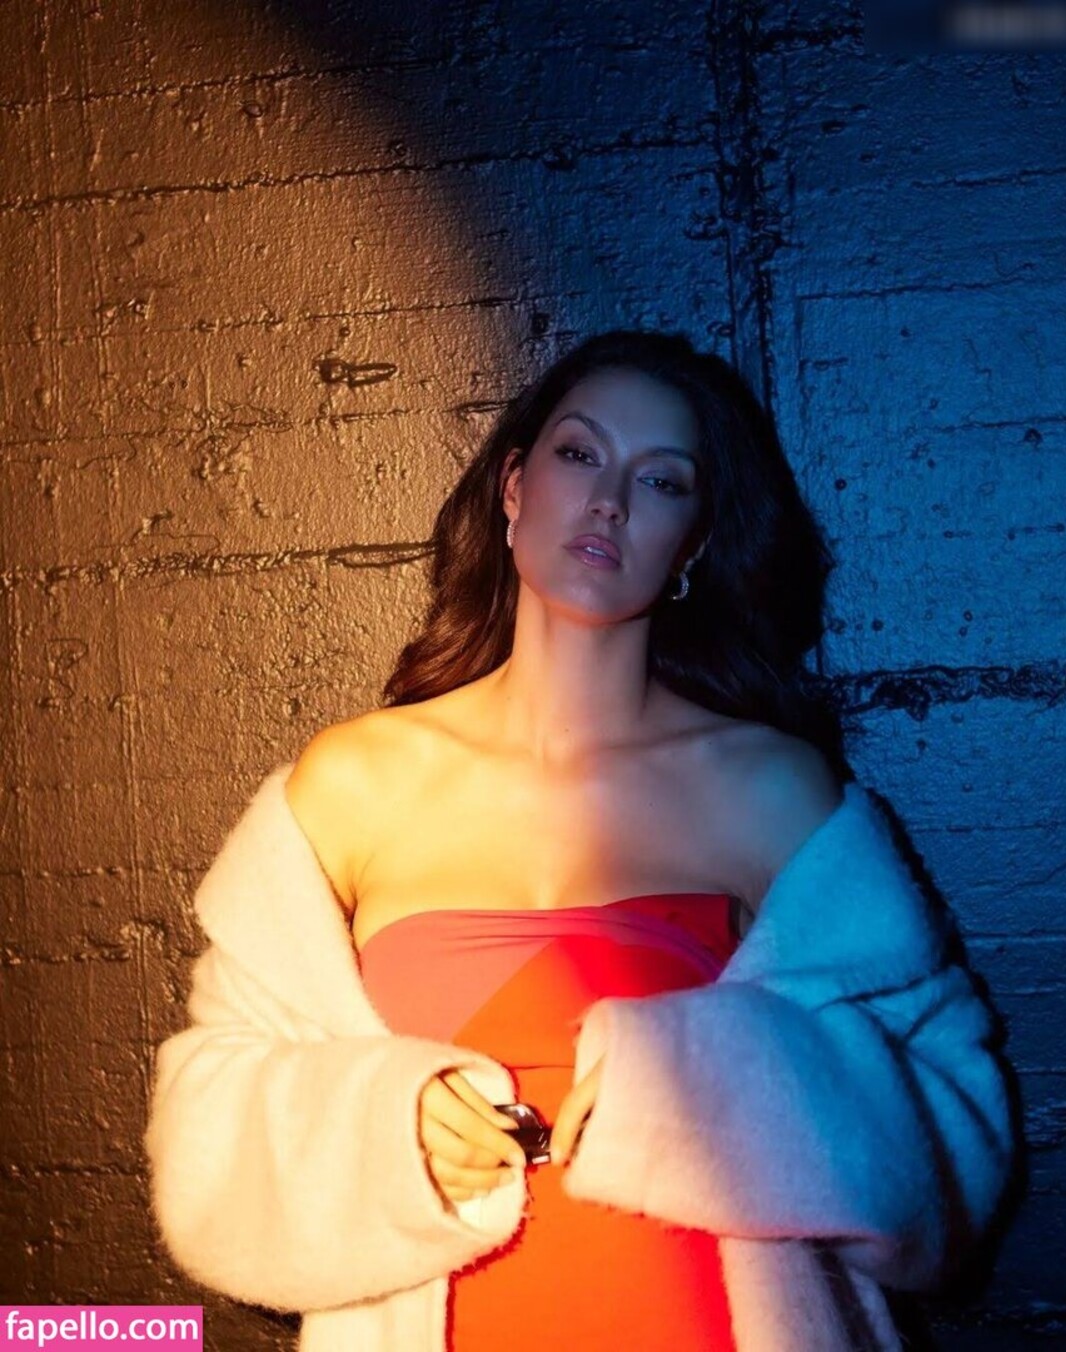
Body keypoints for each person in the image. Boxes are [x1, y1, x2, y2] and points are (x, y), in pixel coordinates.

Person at [144, 331, 1016, 1352]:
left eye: (662, 480)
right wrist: (381, 1128)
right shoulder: (350, 785)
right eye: (580, 454)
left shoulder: (775, 792)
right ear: (514, 486)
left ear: (693, 542)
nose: (610, 500)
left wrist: (720, 1083)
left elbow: (958, 1140)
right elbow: (208, 1129)